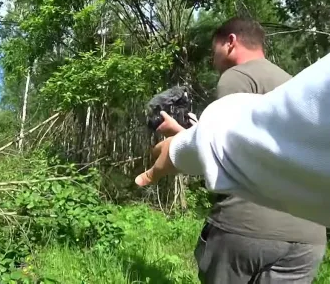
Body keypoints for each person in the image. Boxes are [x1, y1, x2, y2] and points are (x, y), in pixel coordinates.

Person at [139, 17, 327, 284]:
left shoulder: (237, 76)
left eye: (213, 51)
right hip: (308, 238)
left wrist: (181, 146)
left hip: (248, 229)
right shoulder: (293, 81)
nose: (213, 60)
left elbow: (230, 150)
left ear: (230, 42)